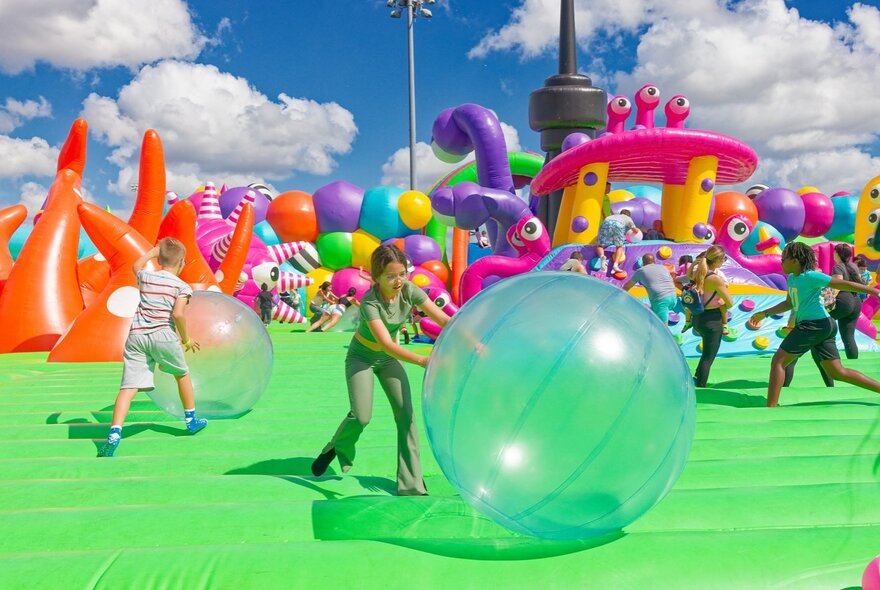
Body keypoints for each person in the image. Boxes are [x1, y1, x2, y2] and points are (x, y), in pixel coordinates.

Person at [311, 245, 452, 495]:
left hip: (388, 361)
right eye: (390, 276)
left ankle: (411, 483)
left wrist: (475, 339)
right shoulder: (370, 302)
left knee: (406, 416)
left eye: (402, 274)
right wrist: (423, 361)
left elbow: (443, 319)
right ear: (376, 277)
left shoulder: (409, 291)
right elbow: (386, 344)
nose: (398, 281)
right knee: (361, 416)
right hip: (362, 358)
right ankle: (334, 447)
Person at [98, 238, 206, 457]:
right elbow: (177, 315)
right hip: (163, 336)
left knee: (128, 387)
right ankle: (191, 419)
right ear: (182, 262)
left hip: (136, 336)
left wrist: (151, 252)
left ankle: (115, 433)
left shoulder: (146, 277)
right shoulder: (181, 286)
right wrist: (186, 339)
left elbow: (136, 266)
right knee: (182, 375)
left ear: (159, 258)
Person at [748, 242, 880, 407]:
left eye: (784, 259)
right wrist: (764, 313)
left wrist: (874, 291)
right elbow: (789, 303)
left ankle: (771, 406)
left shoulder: (811, 276)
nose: (781, 262)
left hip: (813, 325)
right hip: (823, 325)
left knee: (778, 362)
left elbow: (844, 284)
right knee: (837, 372)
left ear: (795, 261)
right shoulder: (792, 279)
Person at [688, 246, 734, 387]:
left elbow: (686, 276)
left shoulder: (698, 274)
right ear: (718, 261)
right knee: (708, 357)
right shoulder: (715, 279)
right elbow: (730, 303)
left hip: (698, 318)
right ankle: (701, 384)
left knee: (705, 355)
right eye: (723, 259)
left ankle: (696, 377)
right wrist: (722, 301)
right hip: (712, 320)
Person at [827, 243, 863, 360]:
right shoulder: (854, 266)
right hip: (856, 301)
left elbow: (837, 285)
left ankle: (827, 357)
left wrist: (826, 301)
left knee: (823, 323)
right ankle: (853, 362)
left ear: (837, 254)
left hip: (844, 301)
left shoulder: (838, 267)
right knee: (848, 336)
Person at [623, 253, 678, 324]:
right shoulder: (663, 267)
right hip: (673, 297)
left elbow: (627, 286)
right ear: (654, 261)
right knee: (653, 315)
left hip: (661, 300)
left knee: (663, 325)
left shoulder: (641, 271)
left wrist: (620, 293)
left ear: (643, 262)